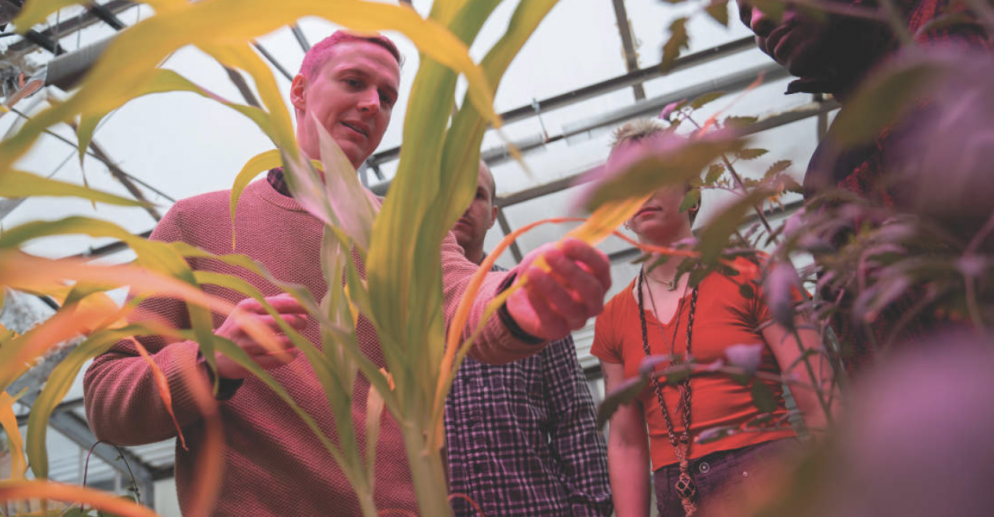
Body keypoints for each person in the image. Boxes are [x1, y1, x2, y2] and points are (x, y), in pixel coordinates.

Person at [82, 31, 613, 516]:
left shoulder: (409, 234)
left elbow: (465, 301)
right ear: (299, 90)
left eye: (386, 97)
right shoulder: (197, 225)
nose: (372, 105)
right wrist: (212, 359)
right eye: (355, 82)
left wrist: (520, 296)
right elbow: (108, 396)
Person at [735, 0, 994, 373]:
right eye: (744, 17)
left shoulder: (972, 11)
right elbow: (862, 344)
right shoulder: (827, 169)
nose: (756, 21)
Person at [591, 119, 828, 517]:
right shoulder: (612, 318)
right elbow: (627, 443)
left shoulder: (756, 271)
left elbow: (819, 398)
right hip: (676, 498)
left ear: (692, 193)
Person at [445, 161, 613, 516]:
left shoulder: (532, 296)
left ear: (492, 215)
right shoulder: (400, 311)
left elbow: (575, 419)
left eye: (475, 194)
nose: (462, 203)